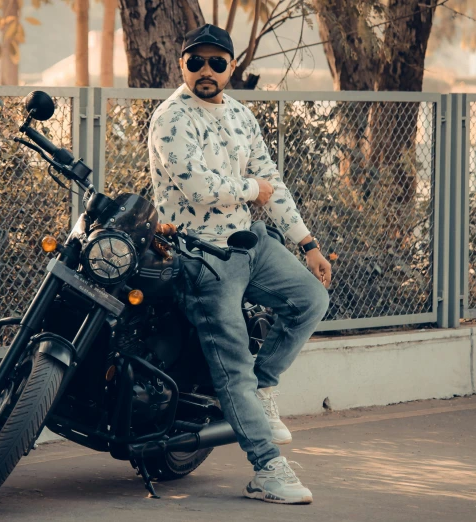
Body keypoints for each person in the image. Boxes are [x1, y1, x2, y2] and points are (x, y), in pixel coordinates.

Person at [147, 23, 331, 505]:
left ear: (231, 67)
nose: (205, 70)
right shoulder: (170, 118)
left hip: (250, 244)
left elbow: (272, 182)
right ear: (181, 65)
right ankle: (268, 468)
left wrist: (307, 243)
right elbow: (199, 188)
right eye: (195, 61)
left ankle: (264, 386)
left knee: (310, 298)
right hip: (200, 255)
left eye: (216, 62)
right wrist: (253, 191)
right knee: (230, 357)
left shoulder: (241, 117)